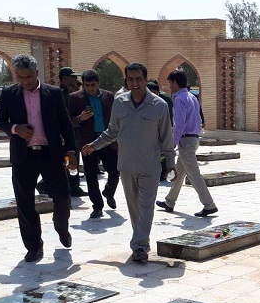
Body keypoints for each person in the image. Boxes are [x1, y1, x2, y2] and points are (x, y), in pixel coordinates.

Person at [83, 63, 175, 263]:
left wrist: (171, 163)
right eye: (130, 79)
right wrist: (95, 145)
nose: (135, 83)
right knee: (134, 209)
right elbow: (112, 131)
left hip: (150, 166)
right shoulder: (120, 102)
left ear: (145, 79)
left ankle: (138, 246)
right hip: (126, 166)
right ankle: (142, 242)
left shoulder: (159, 105)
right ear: (126, 80)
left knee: (146, 207)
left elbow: (166, 137)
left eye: (139, 79)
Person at [0, 54, 77, 262]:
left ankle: (61, 226)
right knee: (25, 203)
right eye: (21, 77)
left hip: (51, 154)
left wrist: (71, 151)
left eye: (29, 76)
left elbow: (65, 123)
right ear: (16, 75)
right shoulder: (9, 93)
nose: (26, 81)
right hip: (23, 156)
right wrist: (15, 128)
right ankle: (34, 246)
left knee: (63, 197)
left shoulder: (53, 93)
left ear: (37, 73)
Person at [156, 70, 218, 217]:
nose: (169, 86)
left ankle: (209, 205)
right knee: (179, 173)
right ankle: (169, 202)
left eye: (170, 83)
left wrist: (172, 143)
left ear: (175, 82)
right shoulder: (192, 97)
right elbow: (198, 119)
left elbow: (179, 124)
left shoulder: (179, 99)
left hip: (185, 140)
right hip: (193, 139)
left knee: (194, 175)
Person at [68, 69, 119, 219]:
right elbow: (68, 120)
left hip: (107, 139)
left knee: (115, 171)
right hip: (87, 141)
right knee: (90, 175)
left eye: (93, 85)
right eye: (87, 85)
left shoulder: (108, 96)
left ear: (98, 83)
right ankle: (97, 206)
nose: (90, 88)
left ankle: (109, 192)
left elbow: (115, 117)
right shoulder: (75, 98)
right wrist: (80, 118)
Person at [59, 67, 87, 197]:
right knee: (70, 160)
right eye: (73, 77)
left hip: (73, 133)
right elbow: (64, 118)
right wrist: (79, 118)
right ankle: (73, 187)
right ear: (64, 78)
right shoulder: (61, 95)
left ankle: (73, 186)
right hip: (66, 135)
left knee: (72, 160)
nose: (75, 80)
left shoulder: (69, 93)